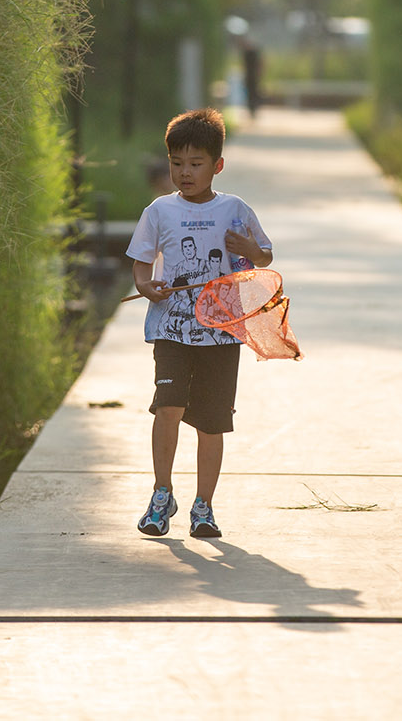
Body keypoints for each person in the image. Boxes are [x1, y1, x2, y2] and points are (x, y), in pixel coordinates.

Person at [126, 107, 273, 538]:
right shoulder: (159, 211)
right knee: (167, 406)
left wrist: (249, 248)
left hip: (222, 333)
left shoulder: (235, 209)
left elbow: (264, 257)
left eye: (195, 164)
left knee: (211, 422)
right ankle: (161, 494)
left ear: (217, 165)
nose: (185, 173)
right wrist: (146, 285)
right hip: (171, 328)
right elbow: (141, 262)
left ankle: (203, 506)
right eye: (177, 164)